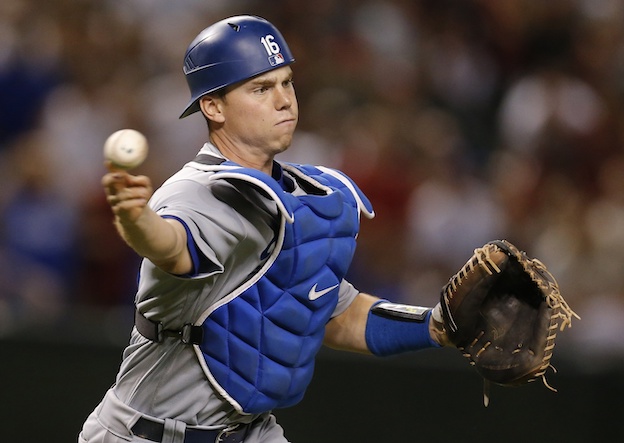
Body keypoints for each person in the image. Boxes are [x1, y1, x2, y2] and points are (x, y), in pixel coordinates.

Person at [79, 15, 451, 443]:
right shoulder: (196, 193)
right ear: (213, 106)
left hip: (252, 434)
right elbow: (171, 246)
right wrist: (136, 219)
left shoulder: (297, 193)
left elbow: (336, 313)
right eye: (260, 88)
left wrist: (438, 326)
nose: (285, 101)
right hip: (149, 435)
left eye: (286, 83)